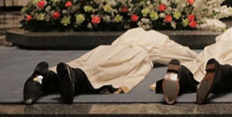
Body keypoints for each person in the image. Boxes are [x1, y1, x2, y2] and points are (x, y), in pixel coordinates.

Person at [22, 28, 199, 104]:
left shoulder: (132, 32)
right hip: (134, 55)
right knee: (106, 71)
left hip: (106, 49)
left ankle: (42, 78)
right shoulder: (159, 40)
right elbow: (184, 53)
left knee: (88, 61)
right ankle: (75, 78)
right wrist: (196, 56)